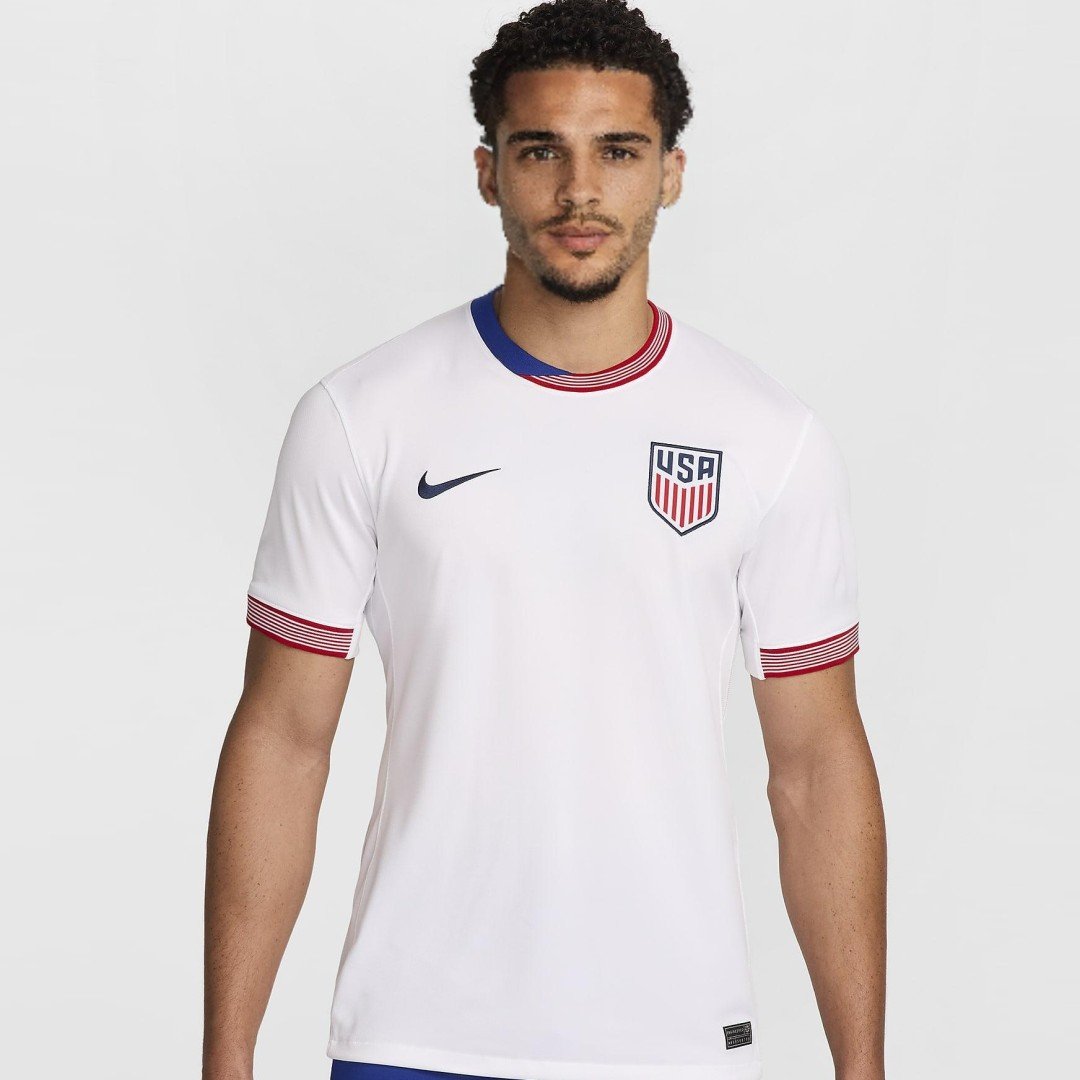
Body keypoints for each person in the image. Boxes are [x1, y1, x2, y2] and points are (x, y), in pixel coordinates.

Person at [203, 2, 887, 1079]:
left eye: (618, 151)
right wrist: (225, 1055)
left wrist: (863, 1068)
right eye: (539, 152)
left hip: (674, 1042)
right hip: (416, 1033)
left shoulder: (768, 438)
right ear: (488, 172)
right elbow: (285, 740)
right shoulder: (362, 415)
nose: (579, 191)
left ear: (670, 173)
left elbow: (815, 768)